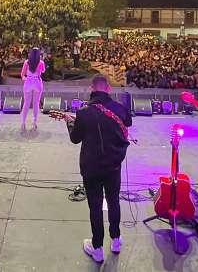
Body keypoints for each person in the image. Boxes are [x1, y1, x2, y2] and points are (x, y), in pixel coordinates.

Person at [66, 75, 133, 263]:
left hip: (92, 167)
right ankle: (116, 240)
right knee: (114, 202)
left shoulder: (83, 113)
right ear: (108, 88)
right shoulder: (119, 108)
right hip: (113, 166)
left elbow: (75, 138)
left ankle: (97, 249)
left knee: (95, 207)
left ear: (91, 89)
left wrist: (70, 122)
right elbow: (128, 122)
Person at [20, 47, 45, 132]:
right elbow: (43, 71)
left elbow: (22, 74)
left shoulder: (26, 62)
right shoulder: (41, 62)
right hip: (37, 82)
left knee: (26, 103)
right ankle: (34, 122)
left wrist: (25, 79)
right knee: (36, 103)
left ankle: (23, 122)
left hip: (28, 82)